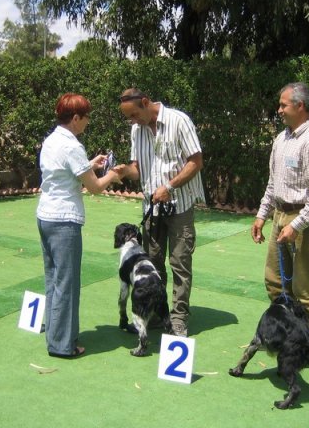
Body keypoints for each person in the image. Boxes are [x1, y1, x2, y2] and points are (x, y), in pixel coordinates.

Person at [114, 88, 205, 337]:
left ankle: (178, 319)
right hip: (151, 208)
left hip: (180, 205)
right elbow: (138, 170)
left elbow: (196, 162)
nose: (133, 121)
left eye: (134, 114)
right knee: (153, 263)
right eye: (128, 118)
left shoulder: (179, 121)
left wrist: (170, 186)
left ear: (146, 103)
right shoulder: (137, 130)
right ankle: (155, 313)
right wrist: (124, 172)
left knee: (180, 264)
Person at [37, 93, 120, 358]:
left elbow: (68, 170)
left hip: (45, 216)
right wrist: (113, 174)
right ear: (75, 118)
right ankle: (62, 345)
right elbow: (94, 187)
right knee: (67, 282)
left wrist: (90, 164)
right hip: (64, 221)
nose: (87, 122)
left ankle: (55, 332)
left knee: (53, 279)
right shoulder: (72, 146)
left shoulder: (51, 140)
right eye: (85, 118)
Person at [251, 82, 309, 327]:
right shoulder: (281, 139)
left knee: (304, 288)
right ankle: (286, 330)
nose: (278, 110)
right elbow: (273, 183)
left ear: (300, 106)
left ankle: (302, 343)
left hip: (305, 219)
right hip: (280, 215)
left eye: (283, 105)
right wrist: (261, 215)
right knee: (275, 282)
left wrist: (297, 225)